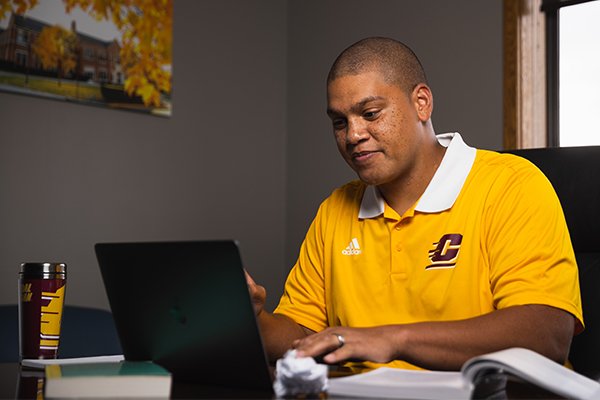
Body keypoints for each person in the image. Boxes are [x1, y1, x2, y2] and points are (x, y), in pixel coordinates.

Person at [246, 36, 583, 371]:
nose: (352, 135)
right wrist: (253, 319)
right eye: (339, 122)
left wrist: (392, 339)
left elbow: (546, 334)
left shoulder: (511, 185)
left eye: (370, 113)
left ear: (422, 102)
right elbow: (304, 335)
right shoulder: (334, 210)